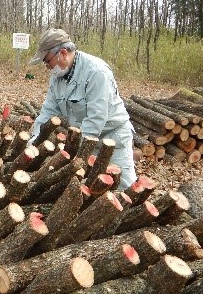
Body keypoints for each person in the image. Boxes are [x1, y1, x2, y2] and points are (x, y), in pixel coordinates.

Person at [28, 28, 136, 190]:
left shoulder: (96, 72)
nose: (47, 66)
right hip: (83, 140)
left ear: (63, 53)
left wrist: (79, 154)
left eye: (47, 61)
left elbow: (96, 119)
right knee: (86, 190)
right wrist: (35, 140)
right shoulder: (57, 79)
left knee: (124, 189)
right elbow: (48, 112)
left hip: (112, 138)